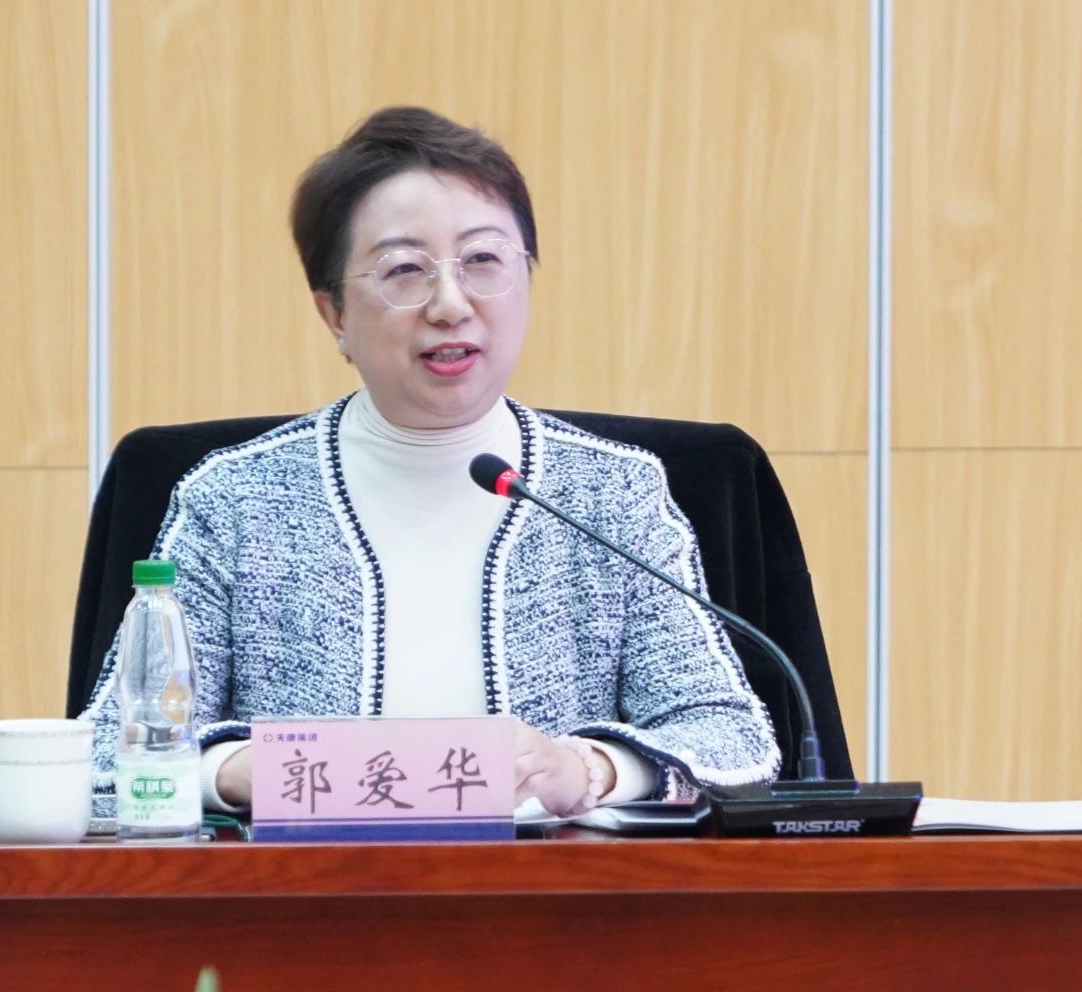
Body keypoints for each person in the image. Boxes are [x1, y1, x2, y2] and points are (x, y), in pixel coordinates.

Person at [80, 106, 780, 817]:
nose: (450, 304)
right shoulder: (234, 500)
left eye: (483, 261)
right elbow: (109, 754)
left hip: (551, 887)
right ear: (334, 315)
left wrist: (589, 768)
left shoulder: (612, 494)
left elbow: (734, 740)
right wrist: (235, 771)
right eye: (405, 270)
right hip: (305, 887)